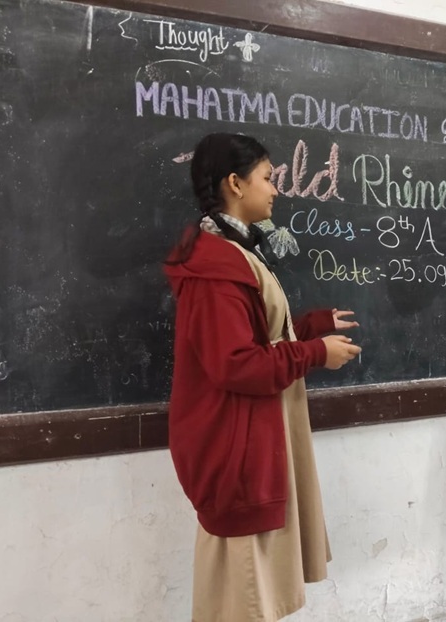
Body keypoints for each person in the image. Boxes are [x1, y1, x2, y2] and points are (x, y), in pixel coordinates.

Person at [164, 132, 362, 622]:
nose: (275, 190)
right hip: (240, 450)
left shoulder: (233, 251)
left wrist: (310, 327)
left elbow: (257, 334)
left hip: (257, 435)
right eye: (268, 178)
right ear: (235, 183)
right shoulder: (216, 266)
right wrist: (315, 352)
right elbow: (236, 363)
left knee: (256, 593)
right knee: (246, 597)